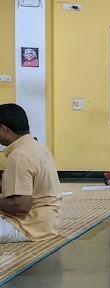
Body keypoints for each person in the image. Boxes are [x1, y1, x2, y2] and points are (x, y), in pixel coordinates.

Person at [0, 104, 62, 243]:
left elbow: (21, 205)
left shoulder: (19, 155)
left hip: (26, 226)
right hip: (47, 223)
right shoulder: (38, 147)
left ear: (4, 129)